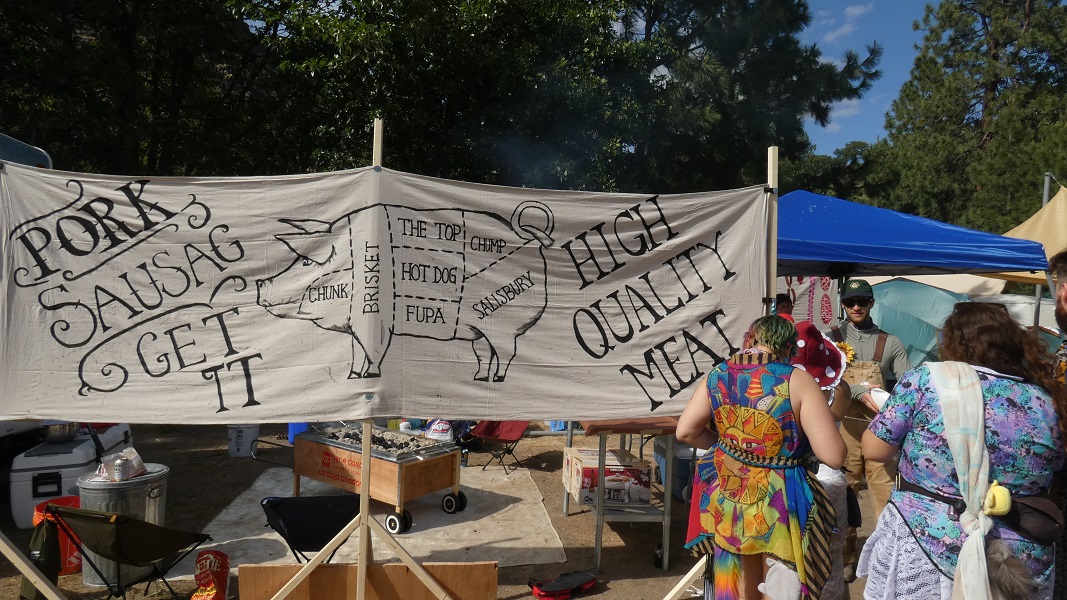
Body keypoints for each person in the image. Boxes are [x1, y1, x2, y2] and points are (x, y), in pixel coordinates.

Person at [858, 302, 1067, 599]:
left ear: (953, 342)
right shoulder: (1044, 399)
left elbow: (875, 450)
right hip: (1018, 553)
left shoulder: (926, 381)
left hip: (929, 539)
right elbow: (1053, 465)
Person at [678, 315, 846, 600]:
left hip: (729, 495)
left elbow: (686, 431)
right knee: (780, 587)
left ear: (751, 339)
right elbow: (833, 456)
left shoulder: (718, 373)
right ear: (789, 347)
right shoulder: (796, 379)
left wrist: (729, 447)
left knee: (741, 586)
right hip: (780, 500)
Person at [830, 278, 912, 580]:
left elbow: (908, 384)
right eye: (850, 302)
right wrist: (854, 390)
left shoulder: (890, 342)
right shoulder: (831, 338)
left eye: (862, 301)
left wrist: (884, 395)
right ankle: (846, 557)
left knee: (885, 494)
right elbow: (819, 380)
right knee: (844, 493)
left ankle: (885, 559)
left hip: (881, 430)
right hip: (843, 430)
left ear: (871, 303)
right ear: (842, 304)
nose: (856, 307)